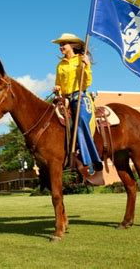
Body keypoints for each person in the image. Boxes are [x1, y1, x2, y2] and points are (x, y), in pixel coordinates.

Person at [52, 33, 103, 174]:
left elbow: (87, 83)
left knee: (80, 121)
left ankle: (91, 161)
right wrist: (57, 89)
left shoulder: (81, 59)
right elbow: (59, 84)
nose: (61, 47)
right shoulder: (60, 65)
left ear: (72, 45)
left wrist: (87, 67)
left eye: (63, 44)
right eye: (60, 45)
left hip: (80, 96)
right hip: (66, 99)